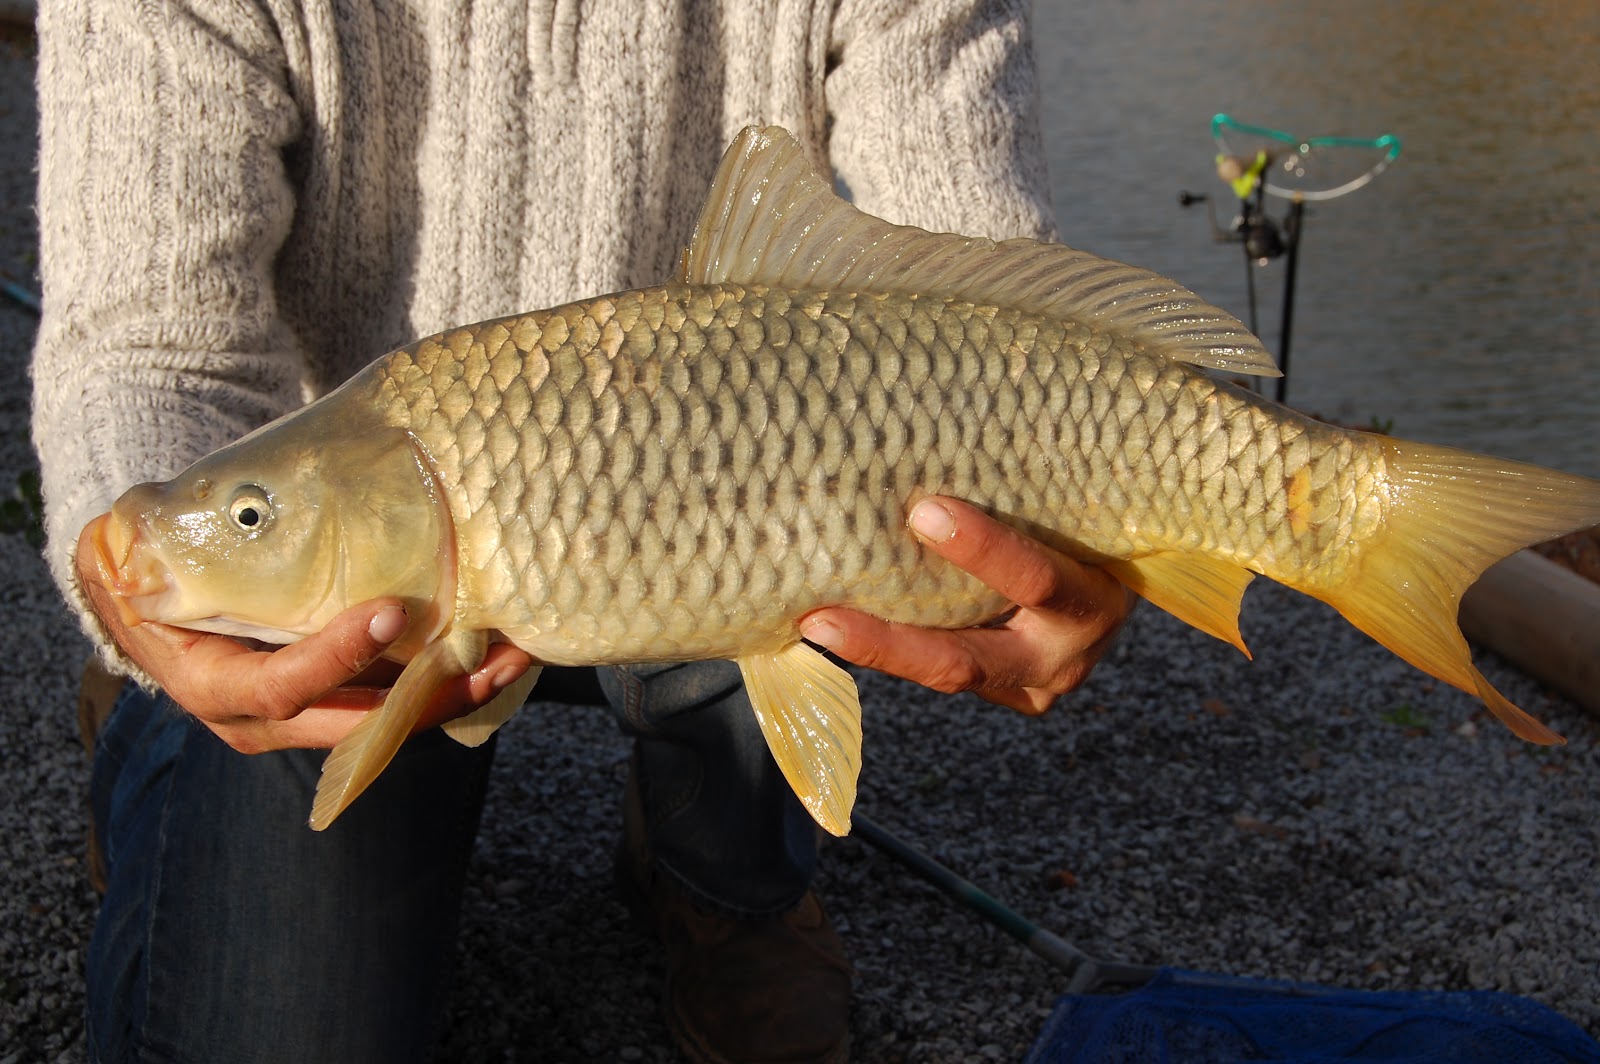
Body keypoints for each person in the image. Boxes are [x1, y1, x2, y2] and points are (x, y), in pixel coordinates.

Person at [33, 1, 1132, 1061]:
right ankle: (153, 701)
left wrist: (1086, 530)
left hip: (742, 490)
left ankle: (720, 873)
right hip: (366, 529)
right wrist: (142, 584)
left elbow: (986, 304)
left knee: (792, 547)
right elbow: (155, 354)